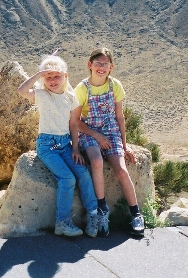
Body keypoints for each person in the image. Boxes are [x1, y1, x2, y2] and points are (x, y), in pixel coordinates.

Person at [17, 53, 99, 237]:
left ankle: (93, 215)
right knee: (67, 179)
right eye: (48, 77)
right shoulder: (42, 95)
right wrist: (39, 75)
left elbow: (73, 124)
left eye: (57, 76)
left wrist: (76, 148)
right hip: (47, 146)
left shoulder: (70, 98)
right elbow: (21, 91)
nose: (53, 80)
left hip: (65, 144)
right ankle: (62, 222)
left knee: (82, 172)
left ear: (65, 76)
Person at [73, 47, 145, 237]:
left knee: (121, 169)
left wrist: (124, 143)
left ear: (111, 67)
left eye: (105, 64)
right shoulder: (82, 88)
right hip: (89, 130)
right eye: (98, 63)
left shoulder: (115, 86)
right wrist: (97, 136)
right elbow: (76, 121)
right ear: (90, 65)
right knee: (96, 161)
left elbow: (120, 117)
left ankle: (136, 214)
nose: (101, 67)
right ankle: (103, 210)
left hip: (111, 130)